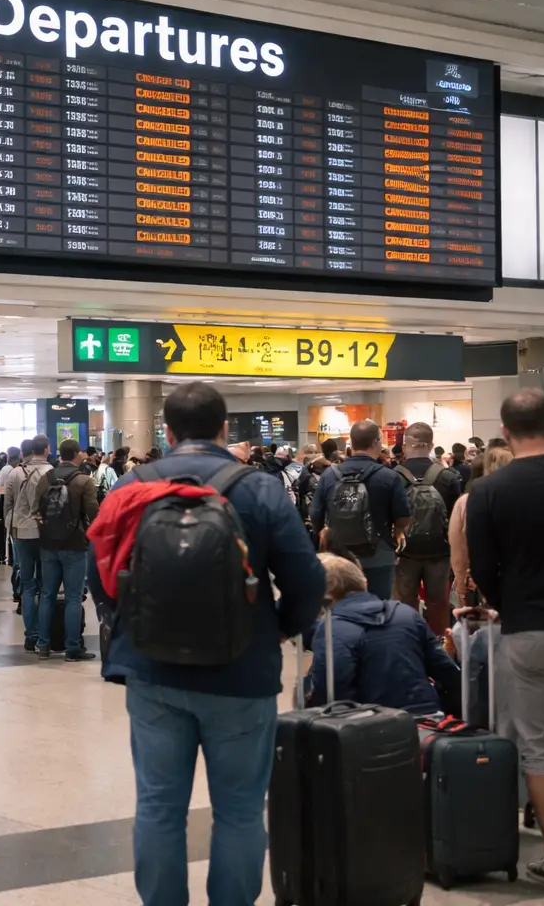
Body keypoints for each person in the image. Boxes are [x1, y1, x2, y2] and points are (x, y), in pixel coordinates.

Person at [87, 382, 325, 906]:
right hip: (242, 672)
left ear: (166, 431)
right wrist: (279, 627)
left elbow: (98, 571)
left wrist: (129, 624)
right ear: (225, 430)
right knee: (239, 810)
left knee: (157, 807)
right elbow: (308, 579)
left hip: (152, 674)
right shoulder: (258, 489)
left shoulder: (131, 486)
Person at [466, 388, 544, 892]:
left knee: (540, 752)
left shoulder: (489, 492)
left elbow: (483, 568)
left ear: (504, 432)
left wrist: (511, 602)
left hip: (527, 632)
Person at [308, 553, 461, 714]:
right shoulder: (406, 614)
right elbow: (448, 674)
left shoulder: (331, 629)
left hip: (370, 727)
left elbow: (331, 693)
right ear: (363, 582)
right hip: (429, 719)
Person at [308, 419, 411, 599]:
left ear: (351, 442)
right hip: (379, 555)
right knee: (378, 608)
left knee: (340, 609)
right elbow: (403, 516)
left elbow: (315, 515)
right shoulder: (388, 476)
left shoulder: (329, 475)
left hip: (339, 557)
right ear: (375, 443)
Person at [394, 421, 462, 635]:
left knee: (405, 603)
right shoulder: (448, 477)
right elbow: (455, 518)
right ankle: (440, 646)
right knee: (438, 603)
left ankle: (409, 644)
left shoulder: (393, 477)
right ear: (431, 444)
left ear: (405, 445)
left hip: (404, 552)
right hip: (440, 552)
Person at [35, 438, 98, 661]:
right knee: (73, 597)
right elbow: (94, 514)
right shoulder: (84, 481)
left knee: (47, 594)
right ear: (78, 455)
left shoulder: (45, 479)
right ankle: (72, 648)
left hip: (48, 544)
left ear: (59, 454)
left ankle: (43, 645)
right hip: (74, 544)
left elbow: (37, 509)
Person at [4, 435, 53, 651]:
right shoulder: (51, 472)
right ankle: (45, 636)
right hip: (44, 532)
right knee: (46, 585)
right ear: (47, 449)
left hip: (21, 532)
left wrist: (11, 526)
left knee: (27, 583)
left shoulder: (15, 472)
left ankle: (30, 636)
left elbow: (8, 504)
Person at [448, 445, 511, 607]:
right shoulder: (524, 499)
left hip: (480, 584)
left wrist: (461, 588)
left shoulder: (466, 502)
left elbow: (459, 550)